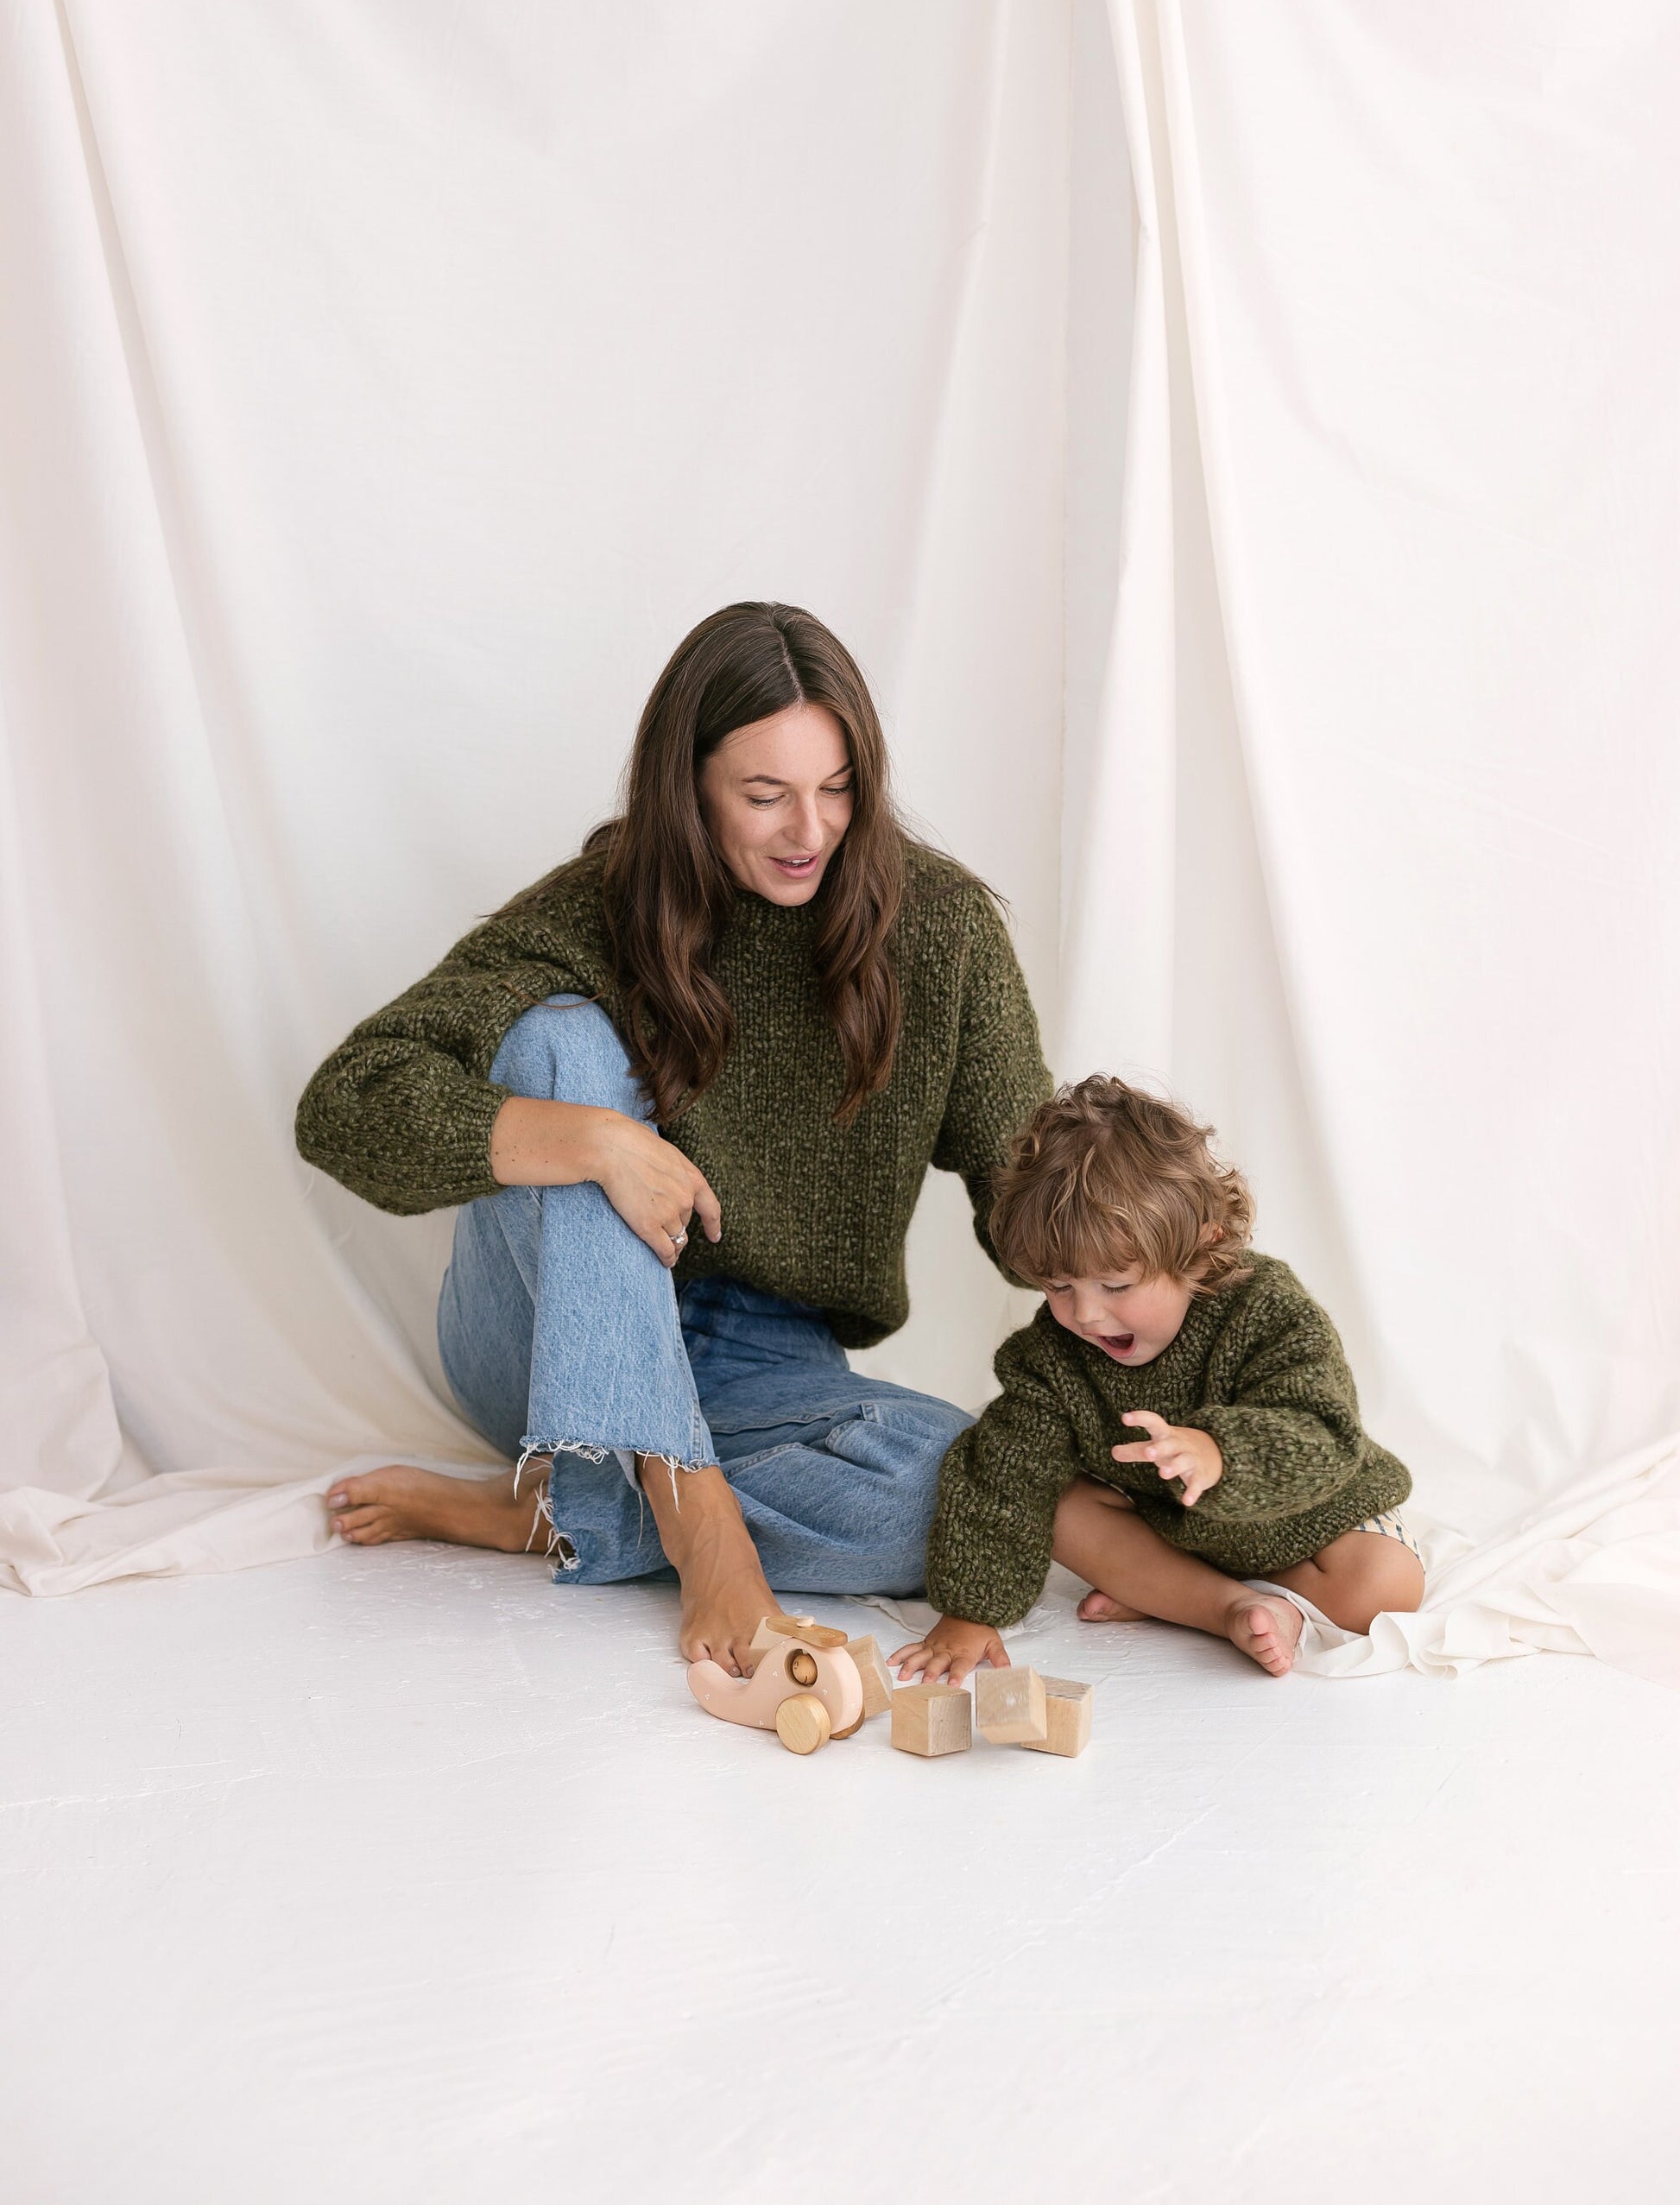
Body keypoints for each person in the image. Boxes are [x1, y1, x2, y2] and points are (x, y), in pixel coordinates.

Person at [295, 601, 1051, 1676]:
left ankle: (562, 1509)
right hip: (547, 1326)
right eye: (764, 795)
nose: (809, 831)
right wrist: (596, 1142)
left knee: (977, 1491)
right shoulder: (599, 908)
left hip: (765, 1363)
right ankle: (695, 1521)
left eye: (837, 789)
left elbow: (1035, 1191)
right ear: (687, 785)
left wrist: (1182, 1305)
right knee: (559, 1044)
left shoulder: (941, 929)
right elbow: (348, 1105)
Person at [891, 1076, 1424, 1685]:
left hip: (1309, 1520)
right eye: (1059, 1285)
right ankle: (1223, 1606)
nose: (1086, 1314)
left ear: (1200, 1247)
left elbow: (1322, 1429)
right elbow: (1004, 1473)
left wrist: (1218, 1452)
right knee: (1056, 1505)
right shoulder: (1051, 1356)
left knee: (1386, 1587)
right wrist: (970, 1611)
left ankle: (1177, 1593)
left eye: (1116, 1285)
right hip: (1171, 1527)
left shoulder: (1267, 1310)